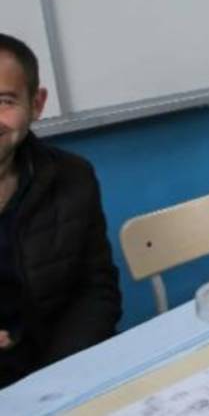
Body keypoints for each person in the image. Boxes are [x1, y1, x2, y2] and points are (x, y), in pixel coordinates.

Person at [0, 33, 121, 388]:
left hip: (65, 372)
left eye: (3, 100)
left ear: (36, 104)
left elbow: (97, 290)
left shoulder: (72, 177)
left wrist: (58, 379)